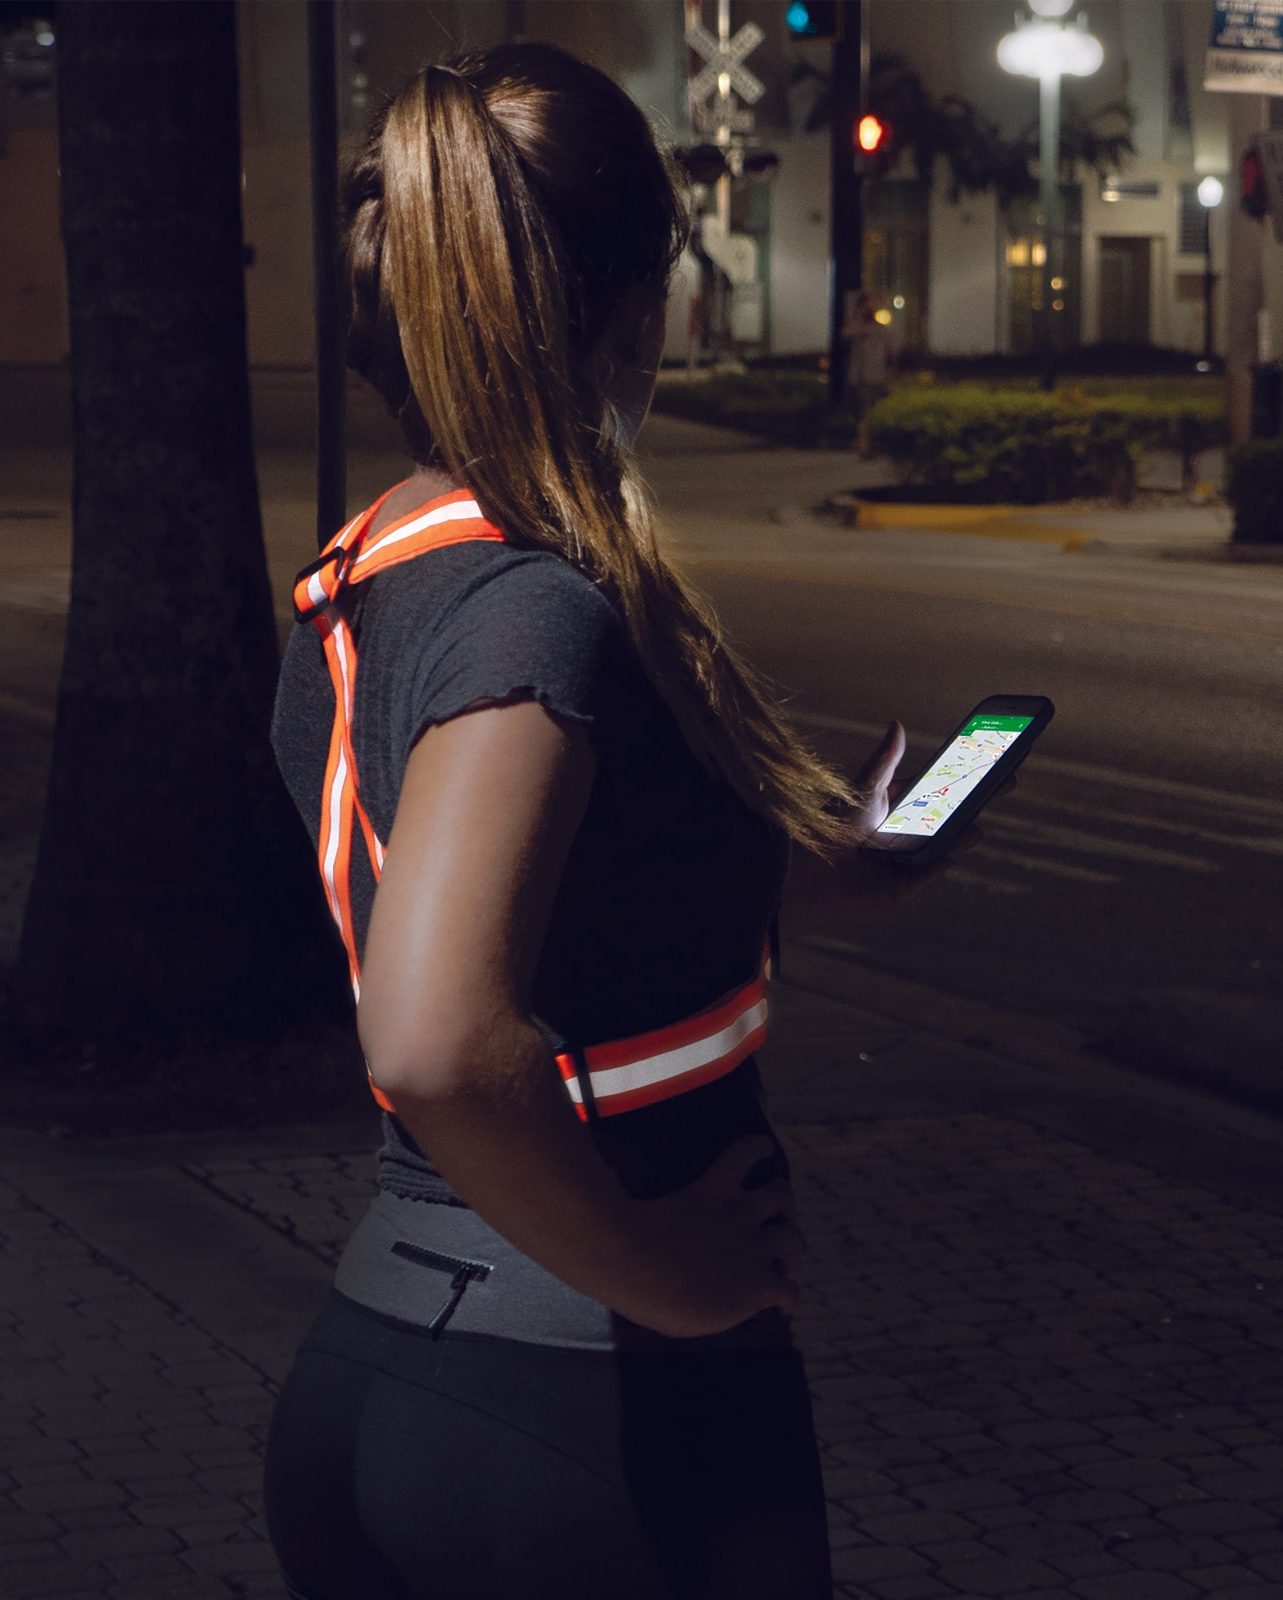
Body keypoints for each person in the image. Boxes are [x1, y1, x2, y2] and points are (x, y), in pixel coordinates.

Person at [265, 42, 952, 1600]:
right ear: (642, 310)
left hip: (390, 1365)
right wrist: (681, 1285)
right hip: (592, 1413)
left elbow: (582, 907)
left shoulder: (370, 582)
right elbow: (434, 1038)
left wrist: (839, 854)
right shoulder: (537, 610)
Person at [842, 288, 892, 456]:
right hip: (862, 378)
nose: (872, 307)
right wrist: (856, 316)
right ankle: (865, 446)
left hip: (878, 377)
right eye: (868, 304)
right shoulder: (857, 327)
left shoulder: (880, 328)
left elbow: (889, 351)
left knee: (878, 412)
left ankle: (876, 444)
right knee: (863, 413)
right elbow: (847, 333)